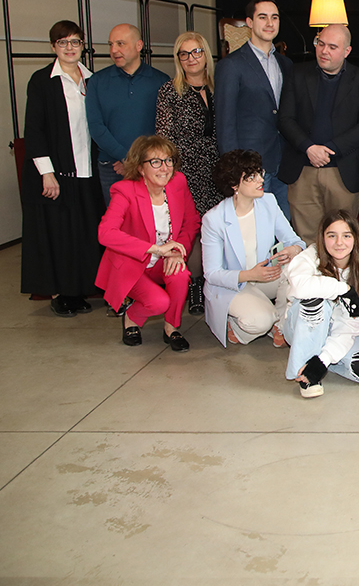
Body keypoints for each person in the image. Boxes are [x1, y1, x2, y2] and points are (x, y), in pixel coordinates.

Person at [20, 19, 103, 317]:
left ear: (83, 45)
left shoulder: (93, 81)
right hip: (56, 174)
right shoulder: (42, 81)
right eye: (63, 42)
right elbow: (35, 129)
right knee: (59, 236)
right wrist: (47, 172)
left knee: (83, 235)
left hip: (87, 172)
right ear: (53, 47)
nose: (70, 48)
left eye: (75, 42)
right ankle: (61, 294)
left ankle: (78, 290)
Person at [283, 211, 359, 398]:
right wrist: (343, 289)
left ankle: (320, 361)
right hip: (304, 328)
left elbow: (350, 325)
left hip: (338, 333)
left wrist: (323, 360)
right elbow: (299, 287)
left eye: (346, 236)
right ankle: (306, 373)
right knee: (315, 300)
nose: (339, 242)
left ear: (355, 238)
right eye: (332, 236)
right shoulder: (310, 256)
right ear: (322, 238)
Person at [95, 135, 201, 351]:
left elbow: (192, 221)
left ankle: (172, 328)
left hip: (164, 260)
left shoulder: (178, 182)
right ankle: (131, 317)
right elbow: (105, 233)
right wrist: (155, 249)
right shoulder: (124, 191)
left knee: (180, 274)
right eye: (155, 162)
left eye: (168, 160)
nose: (164, 168)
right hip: (132, 263)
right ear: (140, 168)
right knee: (159, 302)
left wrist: (177, 250)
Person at [276, 23, 359, 242]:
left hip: (343, 172)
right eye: (320, 44)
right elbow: (285, 118)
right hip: (302, 169)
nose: (324, 51)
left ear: (346, 51)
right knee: (306, 240)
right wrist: (309, 148)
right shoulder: (297, 73)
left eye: (332, 47)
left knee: (341, 240)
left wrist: (330, 149)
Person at [200, 149, 305, 347]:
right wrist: (250, 275)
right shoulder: (213, 220)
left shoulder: (268, 202)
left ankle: (280, 325)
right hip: (233, 284)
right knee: (260, 321)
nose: (260, 180)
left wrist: (293, 250)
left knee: (297, 270)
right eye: (251, 177)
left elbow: (295, 241)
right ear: (234, 185)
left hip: (264, 275)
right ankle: (241, 327)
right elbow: (212, 274)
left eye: (260, 173)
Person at [155, 31, 222, 315]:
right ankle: (194, 285)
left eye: (196, 52)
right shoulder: (169, 91)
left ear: (205, 54)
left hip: (217, 169)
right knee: (191, 231)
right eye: (184, 54)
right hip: (185, 170)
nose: (191, 58)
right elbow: (164, 136)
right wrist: (170, 174)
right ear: (178, 59)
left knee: (216, 229)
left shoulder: (220, 88)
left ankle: (216, 285)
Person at [215, 0, 293, 217]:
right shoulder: (231, 65)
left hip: (282, 164)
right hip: (250, 167)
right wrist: (235, 169)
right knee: (254, 232)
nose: (270, 23)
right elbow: (225, 123)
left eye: (274, 17)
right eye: (263, 17)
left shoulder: (285, 64)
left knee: (283, 229)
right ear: (249, 22)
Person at [86, 23, 170, 206]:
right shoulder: (97, 82)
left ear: (139, 46)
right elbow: (96, 127)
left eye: (120, 43)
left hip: (151, 166)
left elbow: (165, 129)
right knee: (119, 226)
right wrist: (126, 158)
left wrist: (138, 162)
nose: (114, 50)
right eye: (111, 44)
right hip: (112, 168)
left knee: (152, 225)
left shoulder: (161, 81)